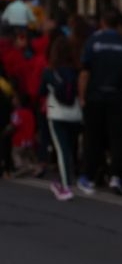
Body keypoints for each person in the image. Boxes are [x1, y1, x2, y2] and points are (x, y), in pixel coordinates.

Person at [78, 9, 122, 195]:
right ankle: (116, 176)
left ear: (102, 22)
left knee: (92, 137)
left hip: (95, 96)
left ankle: (89, 176)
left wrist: (82, 97)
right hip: (117, 97)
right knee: (117, 138)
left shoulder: (93, 41)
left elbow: (85, 72)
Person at [40, 36, 84, 200]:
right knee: (70, 149)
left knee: (61, 149)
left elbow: (41, 91)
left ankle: (66, 186)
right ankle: (63, 179)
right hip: (75, 114)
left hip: (56, 113)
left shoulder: (49, 71)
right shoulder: (77, 71)